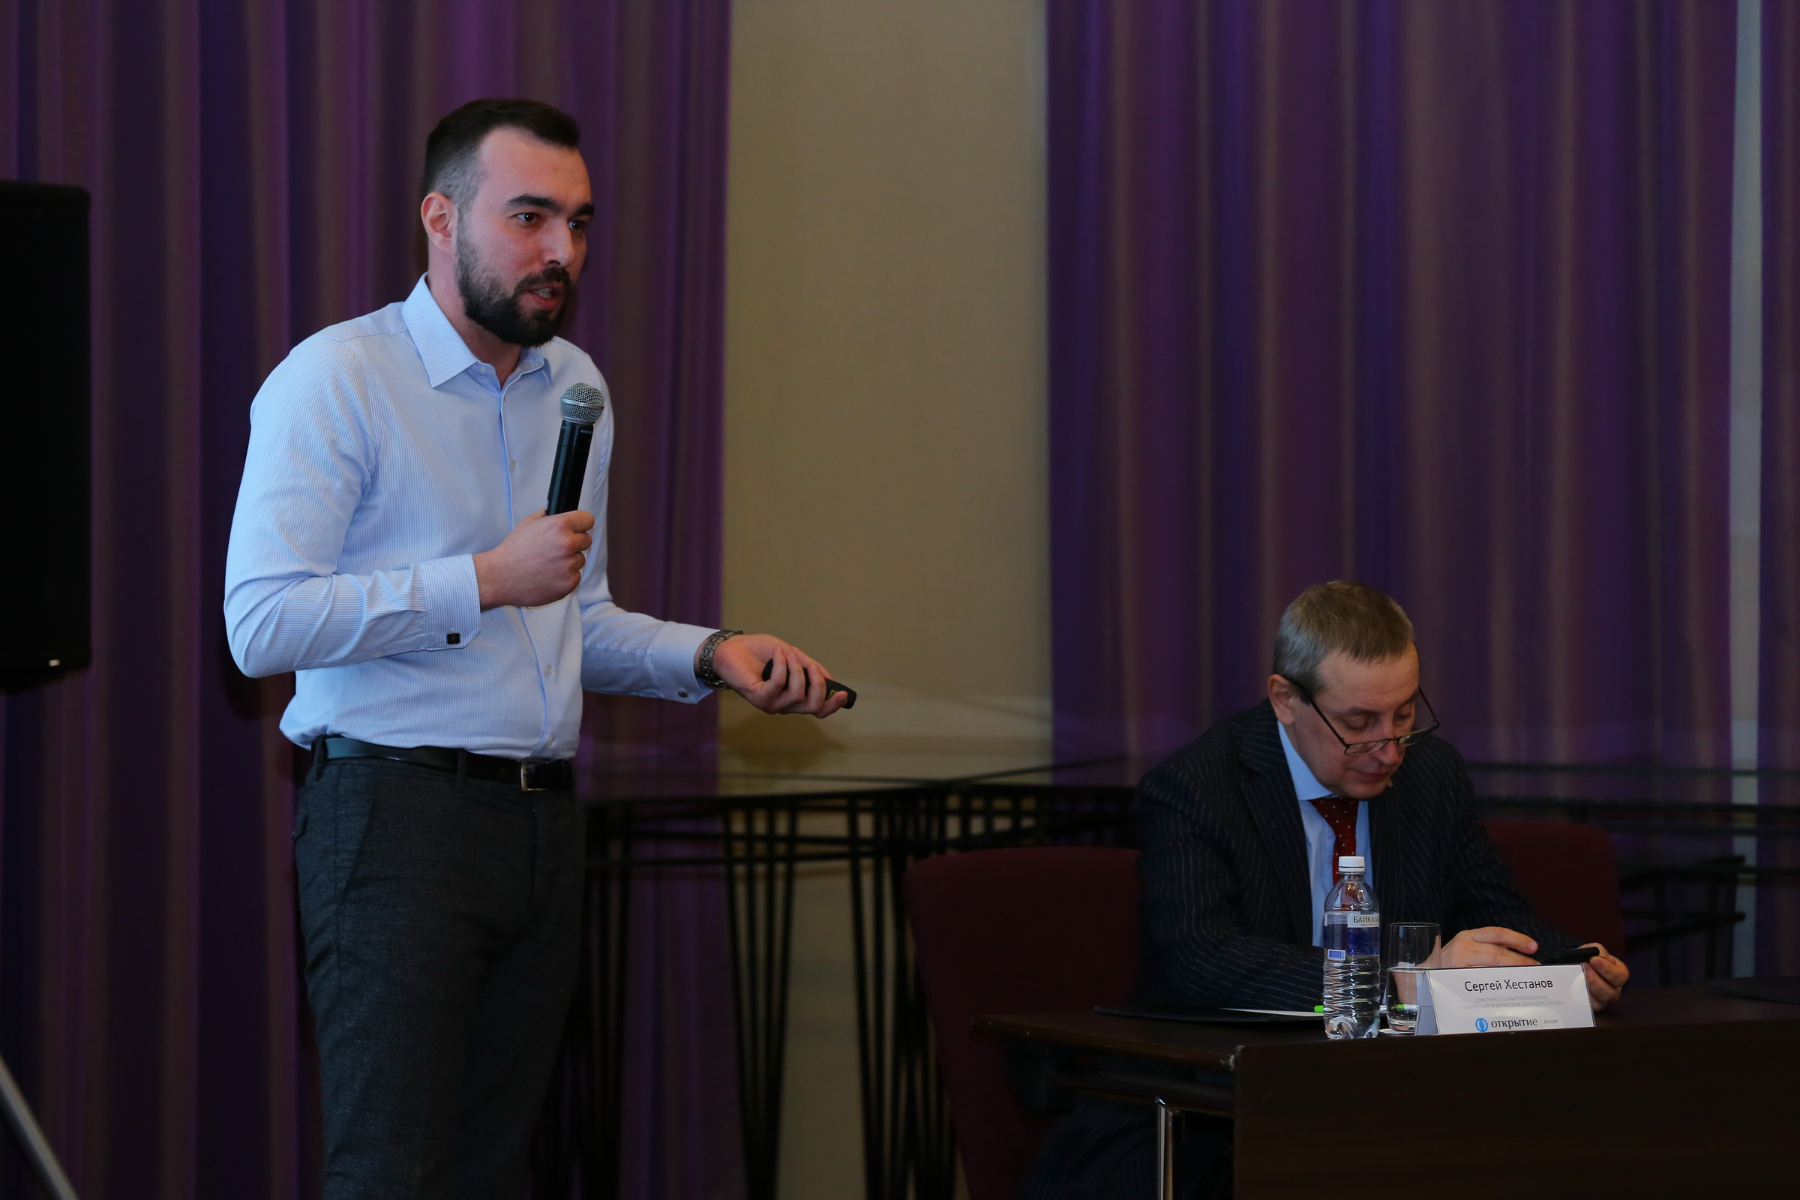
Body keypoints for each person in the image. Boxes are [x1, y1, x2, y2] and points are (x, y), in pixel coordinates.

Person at [223, 98, 846, 1199]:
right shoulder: (339, 378)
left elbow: (569, 619)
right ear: (440, 218)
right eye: (529, 218)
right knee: (392, 1174)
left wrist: (713, 655)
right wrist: (482, 578)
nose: (562, 250)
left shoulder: (575, 387)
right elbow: (261, 624)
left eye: (579, 221)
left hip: (542, 827)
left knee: (493, 1173)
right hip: (395, 823)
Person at [1023, 581, 1630, 1200]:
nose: (1389, 751)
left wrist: (1568, 966)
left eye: (1403, 715)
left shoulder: (1432, 774)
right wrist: (1404, 983)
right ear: (1286, 699)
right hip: (1210, 1102)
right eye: (1358, 724)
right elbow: (1204, 957)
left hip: (1395, 1093)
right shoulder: (1197, 786)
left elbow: (1494, 910)